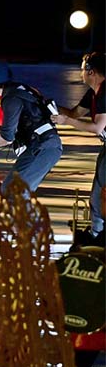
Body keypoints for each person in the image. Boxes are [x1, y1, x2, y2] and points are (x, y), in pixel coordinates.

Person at [0, 58, 62, 194]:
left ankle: (26, 215)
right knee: (12, 188)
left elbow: (7, 138)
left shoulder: (11, 99)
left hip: (43, 148)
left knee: (14, 190)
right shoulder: (20, 89)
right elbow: (16, 130)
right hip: (44, 145)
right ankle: (25, 215)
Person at [52, 51, 105, 235]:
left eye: (82, 69)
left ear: (91, 71)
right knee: (98, 193)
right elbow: (74, 114)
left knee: (99, 196)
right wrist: (47, 105)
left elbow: (97, 127)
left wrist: (66, 122)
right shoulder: (93, 94)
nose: (80, 73)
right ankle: (97, 233)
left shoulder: (105, 92)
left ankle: (97, 236)